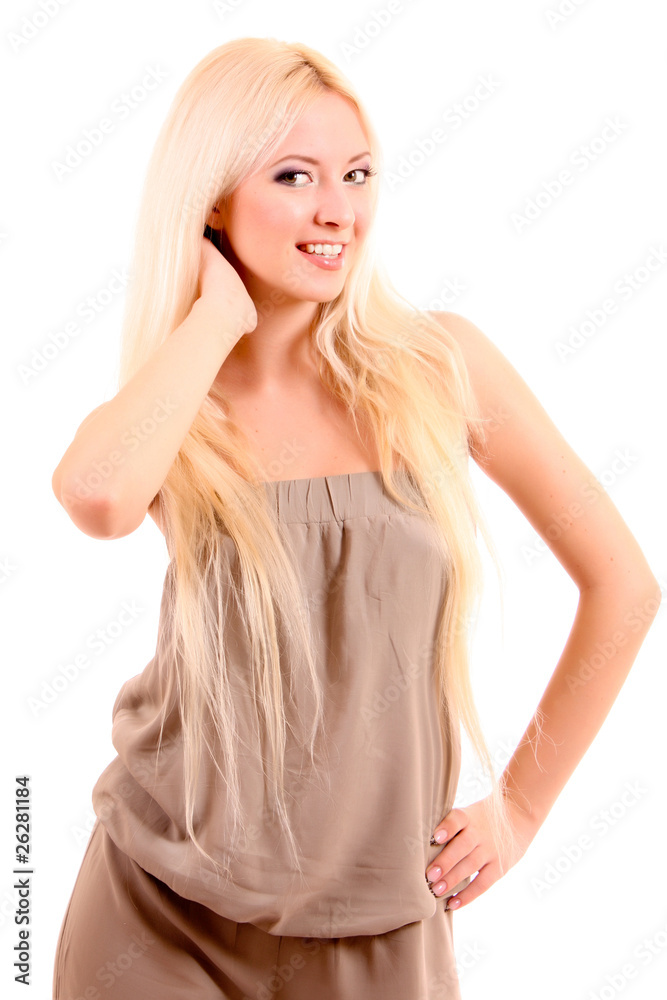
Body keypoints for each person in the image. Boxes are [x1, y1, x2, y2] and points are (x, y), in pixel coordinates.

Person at [50, 36, 660, 1000]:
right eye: (294, 176)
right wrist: (215, 316)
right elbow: (95, 497)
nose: (338, 209)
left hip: (381, 923)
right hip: (158, 912)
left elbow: (624, 586)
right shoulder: (181, 398)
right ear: (212, 199)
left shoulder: (439, 367)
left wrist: (519, 812)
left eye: (358, 174)